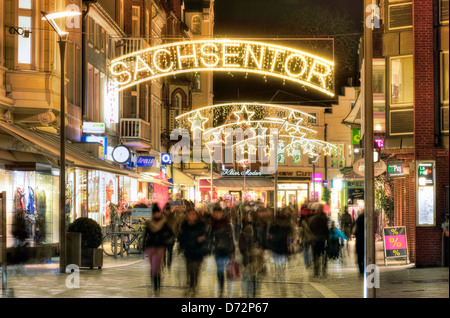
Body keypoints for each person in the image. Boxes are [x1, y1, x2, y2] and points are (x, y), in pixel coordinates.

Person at [142, 203, 175, 294]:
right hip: (151, 246)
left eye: (158, 213)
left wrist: (167, 241)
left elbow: (171, 233)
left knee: (157, 266)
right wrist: (143, 245)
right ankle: (154, 283)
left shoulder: (164, 223)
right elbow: (146, 235)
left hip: (160, 246)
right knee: (152, 267)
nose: (157, 214)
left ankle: (157, 283)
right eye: (156, 213)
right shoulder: (149, 223)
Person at [177, 208, 208, 296]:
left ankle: (194, 286)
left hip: (198, 250)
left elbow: (207, 235)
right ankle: (190, 286)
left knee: (196, 269)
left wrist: (203, 238)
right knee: (189, 269)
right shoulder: (184, 225)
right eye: (190, 214)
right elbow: (180, 237)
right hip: (188, 250)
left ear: (197, 216)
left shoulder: (201, 225)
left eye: (194, 214)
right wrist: (181, 246)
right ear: (187, 216)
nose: (192, 216)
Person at [209, 204, 235, 297]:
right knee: (220, 270)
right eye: (214, 213)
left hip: (227, 249)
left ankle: (229, 288)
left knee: (228, 270)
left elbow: (231, 238)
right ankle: (221, 288)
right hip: (218, 250)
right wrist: (212, 245)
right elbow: (209, 238)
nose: (216, 215)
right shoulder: (212, 224)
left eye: (218, 213)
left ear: (221, 213)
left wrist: (233, 251)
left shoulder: (227, 224)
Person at [238, 213, 265, 297]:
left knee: (253, 279)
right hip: (248, 261)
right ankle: (249, 294)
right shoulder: (243, 235)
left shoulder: (256, 231)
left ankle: (251, 294)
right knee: (251, 278)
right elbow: (241, 248)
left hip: (254, 260)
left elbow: (261, 243)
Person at [268, 207, 295, 281]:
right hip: (283, 242)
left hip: (275, 242)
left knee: (276, 257)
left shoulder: (273, 222)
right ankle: (282, 271)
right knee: (283, 258)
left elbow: (270, 232)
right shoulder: (286, 223)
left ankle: (277, 271)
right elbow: (290, 233)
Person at [308, 204, 329, 277]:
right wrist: (327, 237)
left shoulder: (312, 219)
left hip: (315, 239)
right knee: (322, 254)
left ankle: (316, 270)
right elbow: (326, 229)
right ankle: (322, 268)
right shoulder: (324, 218)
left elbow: (309, 229)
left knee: (315, 254)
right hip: (321, 238)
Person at [162, 202, 177, 271]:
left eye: (168, 209)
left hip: (171, 236)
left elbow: (175, 226)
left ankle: (168, 264)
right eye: (166, 209)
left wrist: (174, 234)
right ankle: (164, 264)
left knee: (170, 251)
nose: (167, 210)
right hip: (163, 237)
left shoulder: (172, 216)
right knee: (163, 251)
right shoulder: (162, 216)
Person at [354, 209, 365, 275]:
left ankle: (360, 269)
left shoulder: (358, 219)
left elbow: (355, 230)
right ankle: (363, 267)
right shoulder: (366, 219)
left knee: (359, 256)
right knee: (364, 255)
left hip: (359, 240)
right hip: (364, 240)